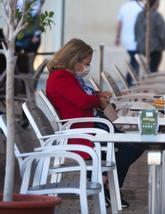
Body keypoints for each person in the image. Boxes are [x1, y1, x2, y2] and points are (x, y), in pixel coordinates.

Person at [46, 38, 144, 208]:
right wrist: (98, 98)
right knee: (131, 147)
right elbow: (83, 101)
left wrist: (99, 96)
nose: (87, 68)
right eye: (85, 63)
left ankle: (105, 183)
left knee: (133, 145)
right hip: (84, 129)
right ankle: (106, 184)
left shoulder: (69, 77)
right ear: (73, 59)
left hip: (93, 125)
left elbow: (84, 96)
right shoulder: (61, 77)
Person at [135, 0, 165, 73]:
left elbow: (136, 30)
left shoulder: (140, 15)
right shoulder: (156, 15)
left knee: (145, 70)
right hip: (155, 48)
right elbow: (162, 32)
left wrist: (138, 42)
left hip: (142, 48)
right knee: (153, 70)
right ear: (155, 4)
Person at [115, 0, 143, 86]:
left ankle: (130, 82)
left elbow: (119, 23)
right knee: (135, 62)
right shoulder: (141, 6)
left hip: (126, 39)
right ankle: (130, 83)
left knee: (134, 60)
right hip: (137, 39)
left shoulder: (124, 7)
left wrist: (118, 37)